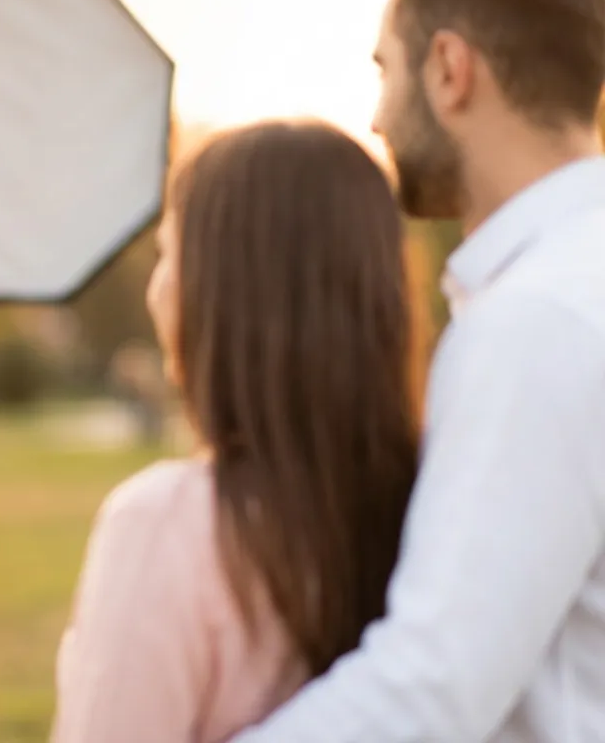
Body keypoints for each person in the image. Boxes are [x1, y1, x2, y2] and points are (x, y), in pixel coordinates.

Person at [231, 0, 605, 741]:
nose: (374, 118)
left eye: (383, 70)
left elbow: (431, 689)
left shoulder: (534, 321)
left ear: (448, 69)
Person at [51, 119, 426, 742]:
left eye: (168, 254)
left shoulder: (167, 524)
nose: (156, 288)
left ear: (224, 288)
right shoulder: (437, 507)